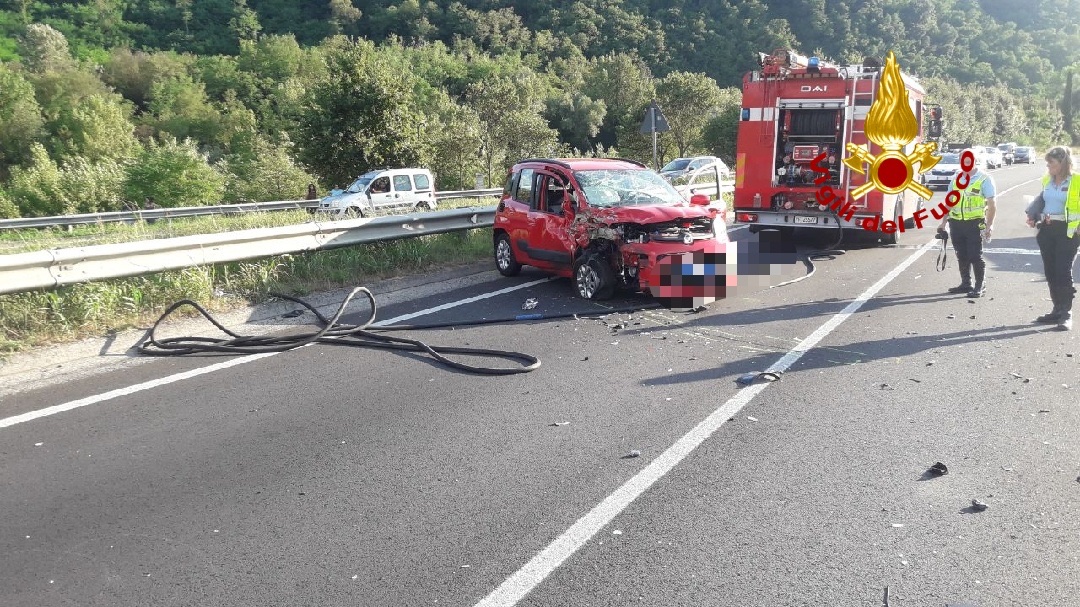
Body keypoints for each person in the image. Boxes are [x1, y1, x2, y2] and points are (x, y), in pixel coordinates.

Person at [1026, 146, 1080, 329]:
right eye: (1047, 162)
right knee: (1050, 271)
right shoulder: (1047, 180)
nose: (1048, 166)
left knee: (1062, 271)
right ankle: (1056, 309)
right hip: (1047, 230)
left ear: (1063, 163)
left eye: (1052, 163)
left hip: (1068, 232)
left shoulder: (1077, 181)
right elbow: (1042, 200)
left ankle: (1066, 313)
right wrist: (1034, 215)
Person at [937, 151, 996, 298]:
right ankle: (966, 283)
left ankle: (979, 285)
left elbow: (992, 204)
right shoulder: (956, 178)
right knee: (961, 254)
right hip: (956, 223)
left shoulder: (984, 179)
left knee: (975, 256)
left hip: (975, 223)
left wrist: (989, 225)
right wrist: (943, 222)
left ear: (975, 160)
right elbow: (949, 202)